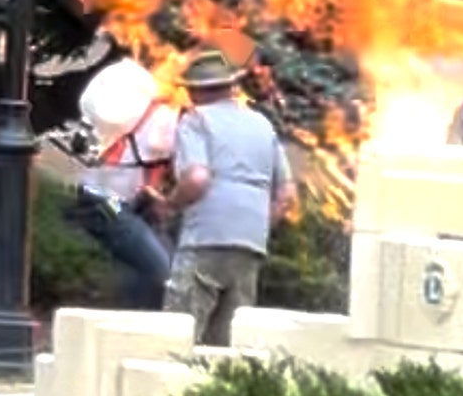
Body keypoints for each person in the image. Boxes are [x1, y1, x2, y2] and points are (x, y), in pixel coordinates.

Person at [160, 50, 296, 346]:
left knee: (179, 337)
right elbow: (286, 196)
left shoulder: (196, 121)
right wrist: (258, 223)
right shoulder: (262, 124)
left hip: (205, 238)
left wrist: (168, 205)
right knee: (227, 345)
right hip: (250, 243)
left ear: (195, 90)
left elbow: (196, 179)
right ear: (231, 85)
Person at [71, 56, 177, 309]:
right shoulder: (161, 119)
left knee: (154, 270)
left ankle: (135, 324)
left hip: (119, 201)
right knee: (164, 271)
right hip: (111, 206)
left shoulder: (126, 111)